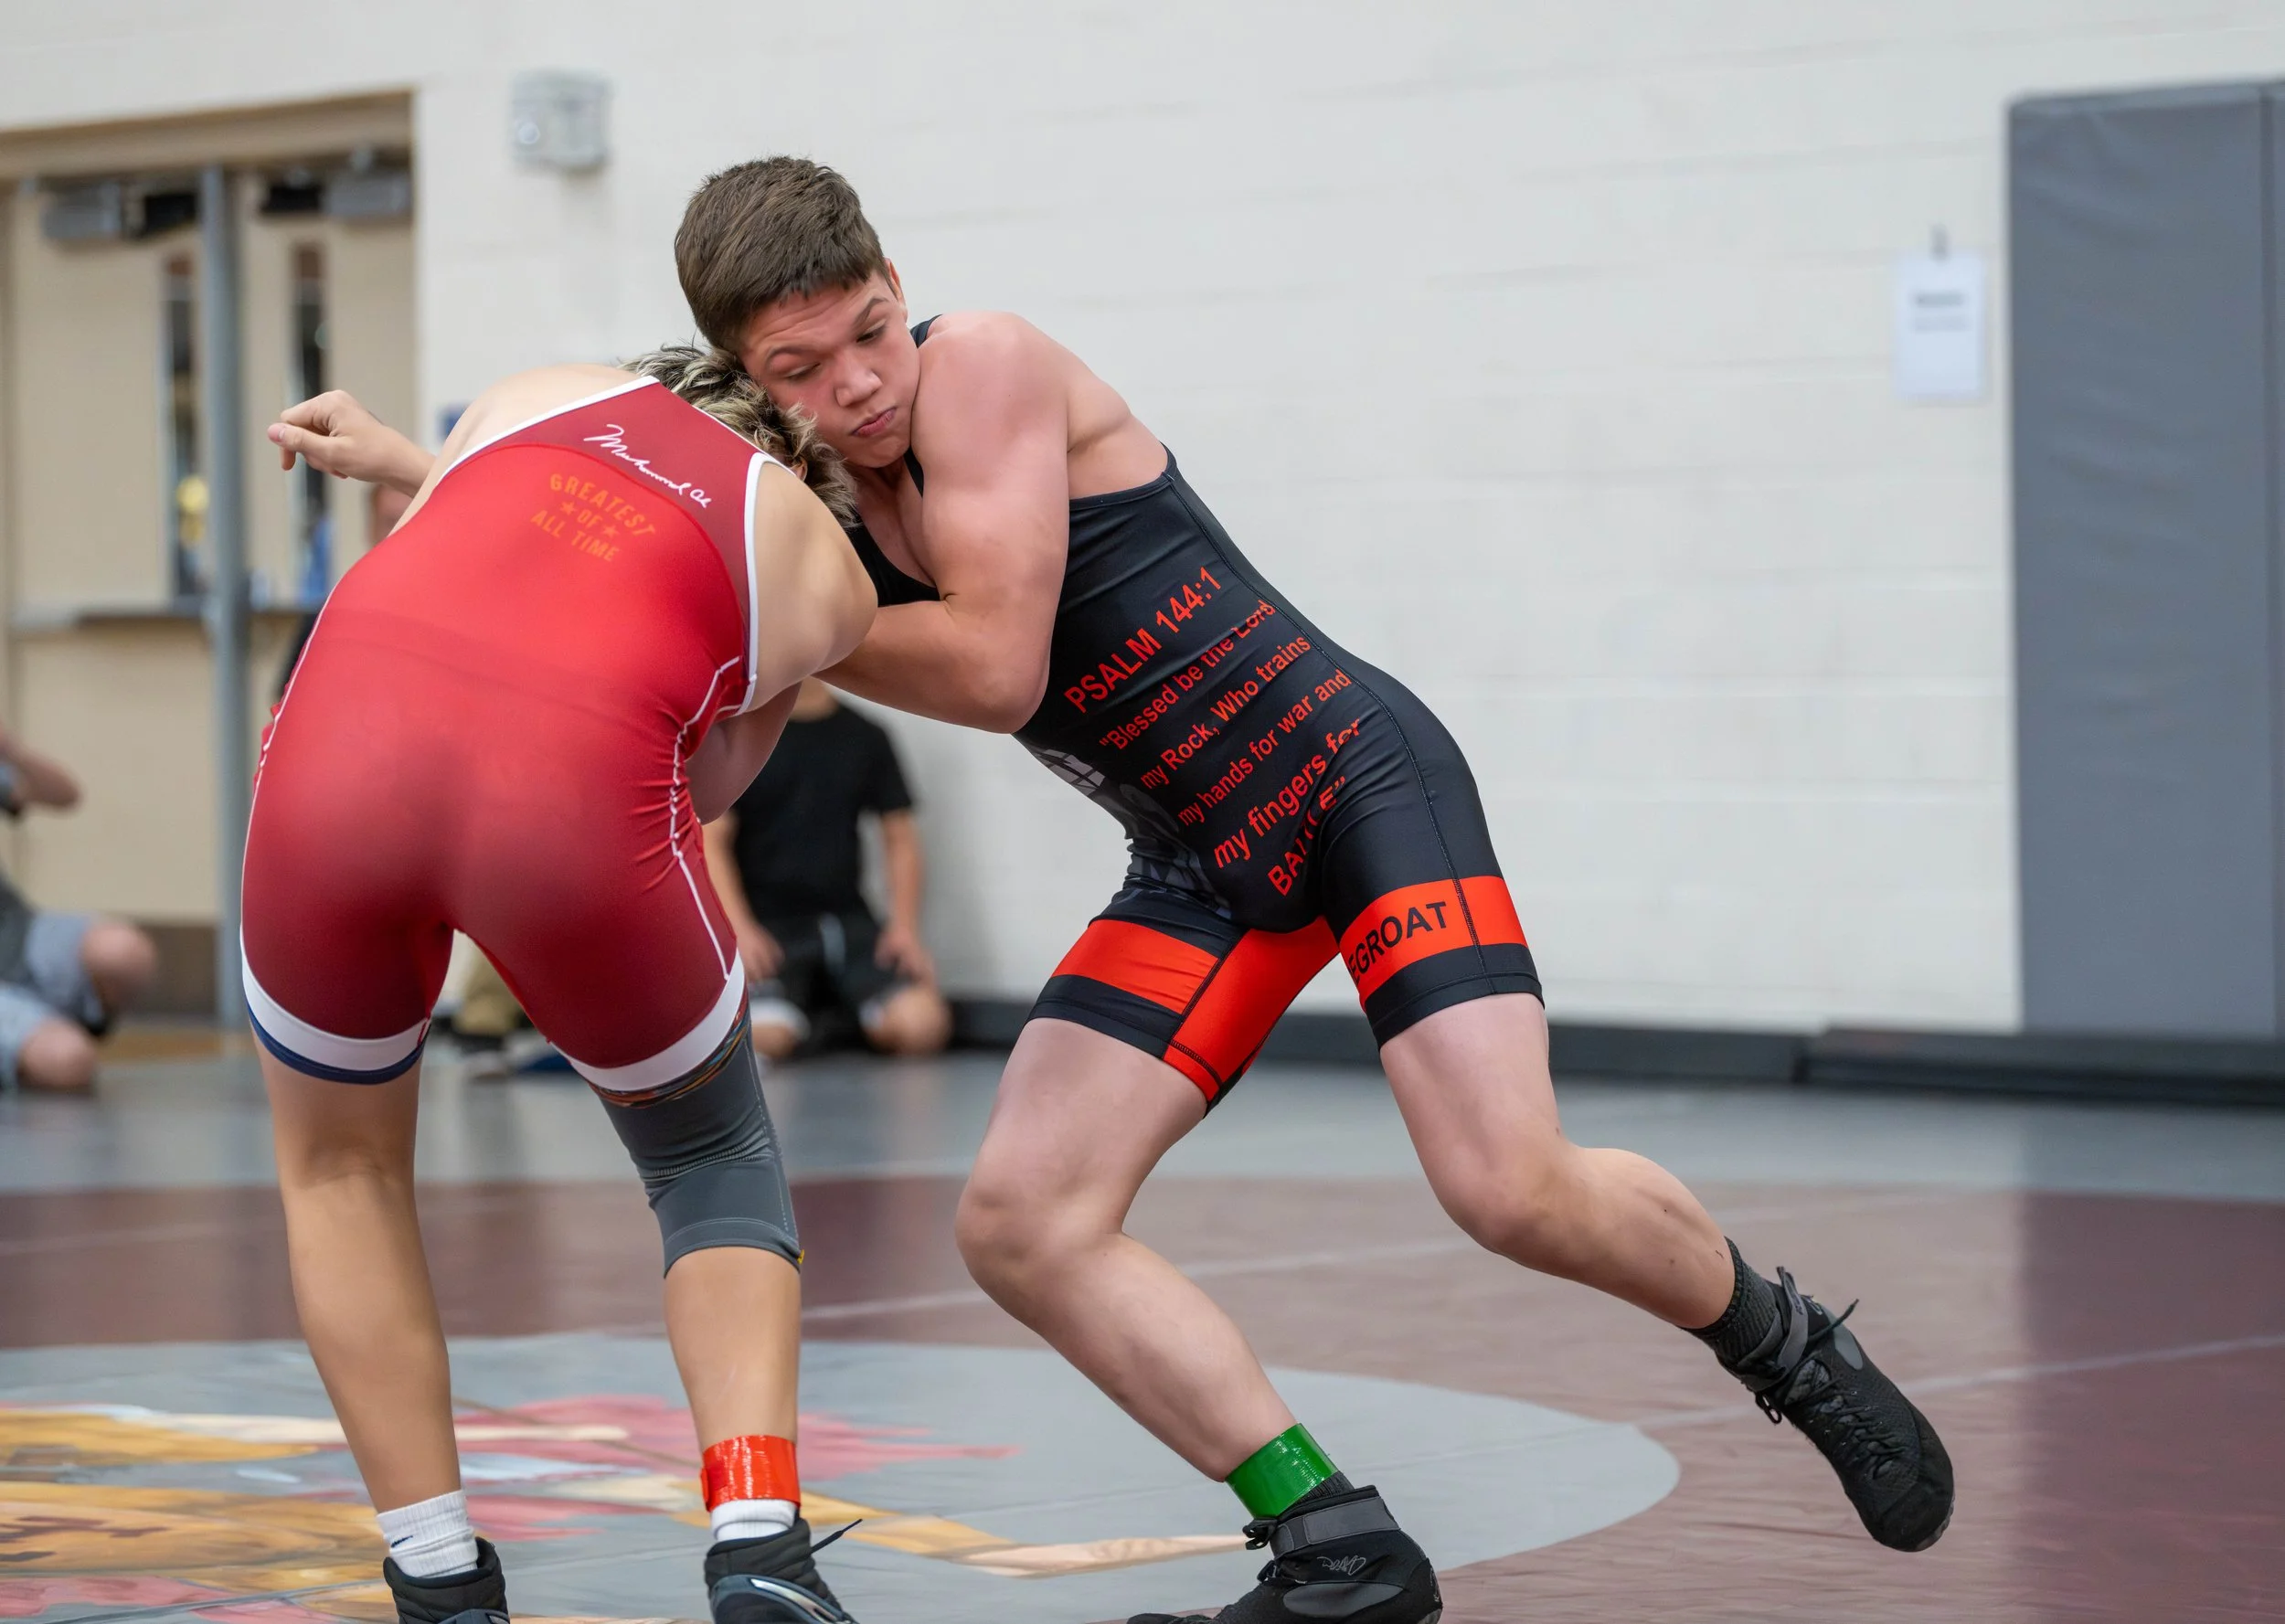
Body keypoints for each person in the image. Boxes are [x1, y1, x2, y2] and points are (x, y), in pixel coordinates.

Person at [293, 159, 1956, 1622]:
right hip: (1202, 861)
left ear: (899, 286)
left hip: (1352, 782)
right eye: (801, 369)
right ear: (745, 369)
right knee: (1023, 1223)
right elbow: (590, 535)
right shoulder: (793, 500)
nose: (861, 386)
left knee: (1508, 1183)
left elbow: (1006, 662)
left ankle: (1787, 1341)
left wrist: (748, 593)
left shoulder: (988, 366)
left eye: (872, 329)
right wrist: (429, 474)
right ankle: (1329, 1530)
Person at [253, 348, 876, 1624]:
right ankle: (759, 1544)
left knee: (337, 1169)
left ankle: (435, 1574)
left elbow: (444, 561)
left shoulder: (537, 393)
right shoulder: (820, 555)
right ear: (800, 458)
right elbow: (704, 786)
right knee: (710, 1166)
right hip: (565, 794)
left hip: (327, 755)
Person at [702, 678, 951, 1061]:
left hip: (847, 923)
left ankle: (837, 1013)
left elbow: (900, 839)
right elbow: (712, 841)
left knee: (921, 1027)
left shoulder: (865, 736)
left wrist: (905, 928)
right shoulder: (740, 737)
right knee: (767, 1038)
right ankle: (809, 1013)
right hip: (770, 932)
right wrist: (738, 929)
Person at [0, 730, 155, 1092]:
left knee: (124, 952)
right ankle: (35, 1039)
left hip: (19, 933)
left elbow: (65, 796)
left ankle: (52, 1021)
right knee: (68, 1061)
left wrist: (12, 751)